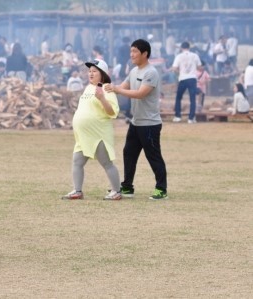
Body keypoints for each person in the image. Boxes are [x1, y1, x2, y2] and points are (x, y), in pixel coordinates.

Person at [104, 39, 168, 200]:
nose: (131, 54)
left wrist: (117, 89)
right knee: (129, 153)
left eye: (134, 51)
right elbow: (122, 86)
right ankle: (127, 187)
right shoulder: (134, 71)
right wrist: (105, 89)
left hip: (150, 124)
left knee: (153, 156)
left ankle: (161, 189)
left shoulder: (151, 72)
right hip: (136, 122)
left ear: (145, 53)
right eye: (131, 51)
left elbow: (140, 93)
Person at [61, 59, 122, 201]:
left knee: (106, 163)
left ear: (103, 74)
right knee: (77, 162)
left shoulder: (107, 88)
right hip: (83, 136)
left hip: (98, 134)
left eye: (94, 71)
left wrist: (102, 98)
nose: (91, 73)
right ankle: (77, 191)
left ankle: (116, 191)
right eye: (89, 71)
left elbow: (112, 112)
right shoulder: (88, 88)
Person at [171, 41, 202, 124]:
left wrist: (180, 72)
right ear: (189, 47)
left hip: (183, 78)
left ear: (181, 48)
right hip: (192, 79)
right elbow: (200, 67)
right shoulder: (195, 55)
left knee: (178, 98)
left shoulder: (179, 56)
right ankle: (191, 118)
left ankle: (178, 116)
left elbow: (174, 68)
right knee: (192, 99)